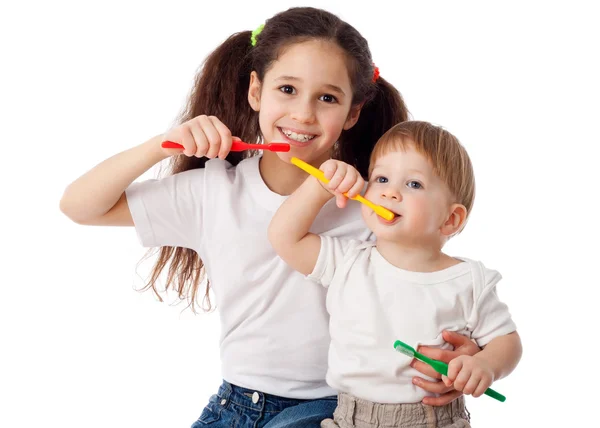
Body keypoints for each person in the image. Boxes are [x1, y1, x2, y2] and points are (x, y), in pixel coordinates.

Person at [60, 7, 479, 428]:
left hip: (334, 408)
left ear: (353, 113)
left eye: (328, 98)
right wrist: (162, 145)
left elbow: (430, 288)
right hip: (235, 405)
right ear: (256, 92)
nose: (303, 114)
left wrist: (467, 355)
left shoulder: (375, 207)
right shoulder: (213, 192)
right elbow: (79, 207)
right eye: (287, 89)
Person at [268, 121, 522, 428]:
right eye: (382, 178)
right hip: (350, 417)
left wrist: (485, 364)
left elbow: (507, 342)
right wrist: (319, 186)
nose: (389, 192)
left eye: (413, 184)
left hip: (433, 420)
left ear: (451, 219)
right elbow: (285, 237)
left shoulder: (467, 280)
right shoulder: (347, 261)